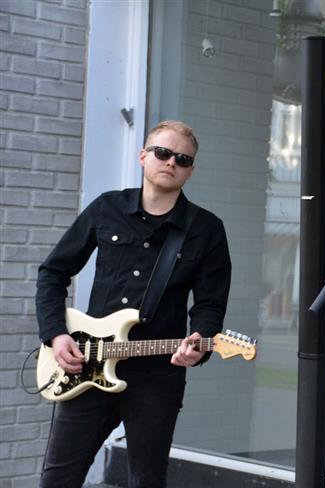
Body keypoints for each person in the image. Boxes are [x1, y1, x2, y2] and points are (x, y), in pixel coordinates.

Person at [36, 120, 232, 488]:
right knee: (58, 479)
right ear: (143, 156)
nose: (171, 162)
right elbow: (53, 272)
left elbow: (210, 304)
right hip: (87, 365)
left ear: (190, 171)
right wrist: (55, 334)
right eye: (162, 152)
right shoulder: (106, 209)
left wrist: (200, 341)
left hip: (157, 375)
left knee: (146, 480)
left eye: (183, 159)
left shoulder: (206, 230)